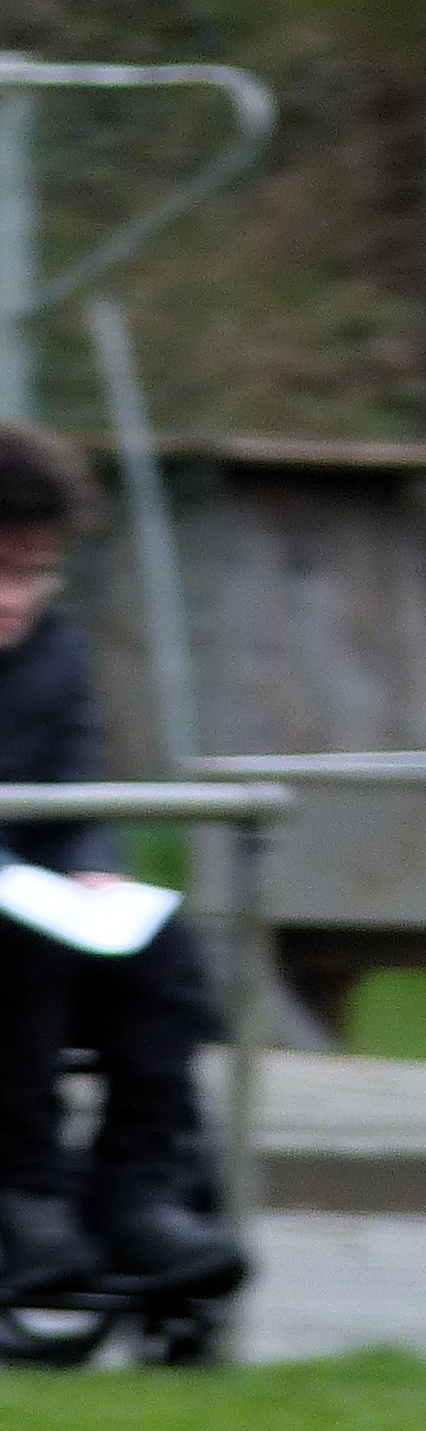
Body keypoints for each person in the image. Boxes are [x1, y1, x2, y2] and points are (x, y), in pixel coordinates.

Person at [0, 420, 245, 1307]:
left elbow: (75, 787)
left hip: (30, 897)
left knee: (163, 954)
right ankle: (23, 1193)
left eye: (33, 574)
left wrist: (92, 868)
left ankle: (136, 1190)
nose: (14, 599)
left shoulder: (55, 653)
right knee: (22, 950)